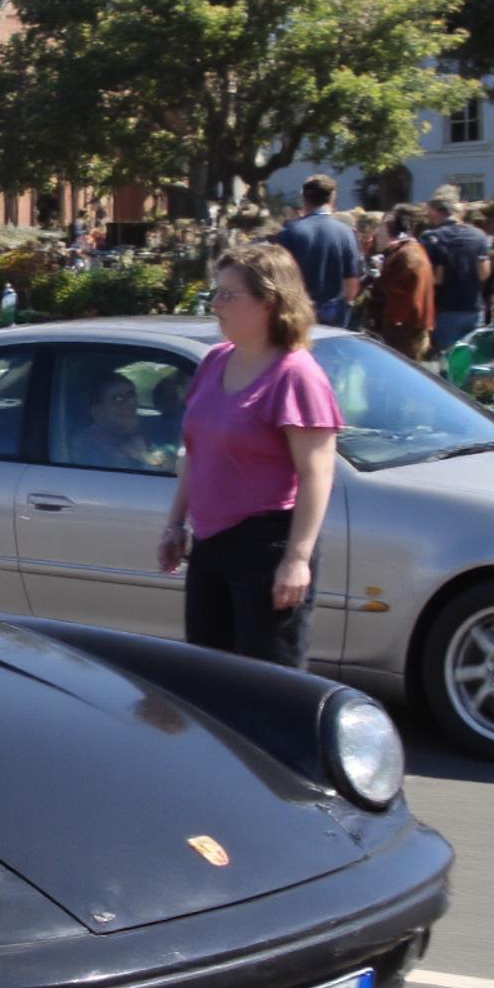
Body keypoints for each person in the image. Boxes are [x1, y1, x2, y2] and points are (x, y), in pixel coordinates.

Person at [158, 243, 342, 670]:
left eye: (228, 294)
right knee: (209, 681)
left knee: (268, 688)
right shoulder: (215, 361)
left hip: (266, 547)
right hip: (210, 544)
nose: (215, 304)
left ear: (269, 302)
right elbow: (196, 451)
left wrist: (296, 559)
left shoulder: (296, 374)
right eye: (216, 292)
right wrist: (175, 525)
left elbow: (317, 474)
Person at [275, 174, 364, 326]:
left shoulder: (289, 232)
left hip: (297, 313)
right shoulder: (346, 233)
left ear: (304, 199)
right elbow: (351, 284)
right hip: (334, 314)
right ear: (332, 199)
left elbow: (278, 278)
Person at [421, 191, 491, 358]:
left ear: (433, 211)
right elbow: (484, 273)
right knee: (469, 360)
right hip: (474, 307)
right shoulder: (479, 236)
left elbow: (434, 277)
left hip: (445, 309)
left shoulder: (431, 237)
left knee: (447, 361)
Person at [370, 206, 435, 362]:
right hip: (407, 325)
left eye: (381, 228)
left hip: (404, 326)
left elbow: (394, 289)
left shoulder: (406, 254)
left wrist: (380, 272)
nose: (377, 233)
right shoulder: (409, 250)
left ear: (388, 231)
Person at [69, 369, 164, 470]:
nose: (130, 404)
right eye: (118, 399)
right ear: (97, 410)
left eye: (131, 396)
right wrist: (143, 457)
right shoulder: (86, 445)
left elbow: (167, 463)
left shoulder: (137, 436)